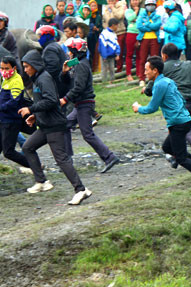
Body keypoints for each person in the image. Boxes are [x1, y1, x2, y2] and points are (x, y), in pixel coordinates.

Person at [18, 50, 91, 205]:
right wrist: (36, 116)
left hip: (54, 126)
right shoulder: (37, 79)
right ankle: (42, 181)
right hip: (45, 126)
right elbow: (45, 102)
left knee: (61, 159)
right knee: (28, 147)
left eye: (26, 66)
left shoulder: (44, 79)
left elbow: (51, 100)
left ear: (34, 65)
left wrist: (31, 109)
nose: (25, 70)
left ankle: (81, 189)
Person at [133, 56, 191, 187]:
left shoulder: (159, 85)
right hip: (183, 120)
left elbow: (152, 108)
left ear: (155, 70)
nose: (145, 73)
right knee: (167, 147)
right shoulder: (168, 81)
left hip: (178, 123)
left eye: (146, 70)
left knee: (181, 158)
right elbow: (181, 99)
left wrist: (138, 108)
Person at [60, 38, 120, 174]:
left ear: (75, 52)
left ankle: (109, 157)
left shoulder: (81, 65)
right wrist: (64, 72)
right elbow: (68, 82)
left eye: (70, 51)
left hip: (84, 104)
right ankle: (68, 159)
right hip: (79, 104)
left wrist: (65, 99)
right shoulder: (77, 63)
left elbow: (79, 87)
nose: (68, 53)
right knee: (65, 125)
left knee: (87, 134)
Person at [0, 55, 31, 171]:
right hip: (3, 120)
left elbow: (14, 101)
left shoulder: (16, 80)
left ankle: (34, 165)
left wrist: (1, 107)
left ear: (14, 68)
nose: (3, 71)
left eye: (6, 68)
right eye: (2, 68)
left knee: (8, 152)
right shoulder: (6, 80)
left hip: (11, 121)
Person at [37, 25, 68, 98]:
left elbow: (52, 69)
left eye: (39, 36)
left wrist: (44, 81)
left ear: (46, 36)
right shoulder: (55, 45)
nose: (38, 39)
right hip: (61, 84)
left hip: (57, 86)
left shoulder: (49, 49)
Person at [137, 0, 162, 87]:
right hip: (144, 39)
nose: (150, 6)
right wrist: (150, 26)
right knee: (142, 59)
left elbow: (157, 25)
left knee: (154, 60)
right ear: (145, 6)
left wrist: (146, 24)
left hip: (154, 39)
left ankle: (155, 78)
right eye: (149, 5)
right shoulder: (141, 15)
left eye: (152, 5)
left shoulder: (157, 15)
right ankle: (142, 79)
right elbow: (139, 26)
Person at [103, 0, 127, 73]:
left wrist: (113, 8)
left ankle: (119, 70)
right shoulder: (106, 8)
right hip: (110, 33)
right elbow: (106, 21)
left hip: (120, 32)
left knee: (118, 52)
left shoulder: (121, 5)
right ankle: (110, 70)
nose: (110, 1)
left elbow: (119, 16)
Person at [99, 18, 121, 83]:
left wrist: (117, 53)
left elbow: (116, 44)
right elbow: (103, 45)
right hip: (105, 55)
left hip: (112, 54)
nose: (117, 27)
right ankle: (104, 81)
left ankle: (112, 81)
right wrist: (104, 56)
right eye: (117, 25)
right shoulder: (104, 33)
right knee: (104, 69)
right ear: (113, 25)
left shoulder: (114, 34)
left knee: (112, 68)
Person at [125, 0, 141, 82]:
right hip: (131, 33)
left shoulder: (143, 11)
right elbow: (130, 18)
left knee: (139, 55)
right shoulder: (128, 11)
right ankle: (129, 74)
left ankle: (139, 73)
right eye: (133, 0)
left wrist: (136, 19)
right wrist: (136, 11)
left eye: (136, 0)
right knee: (129, 54)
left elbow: (142, 21)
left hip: (140, 34)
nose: (135, 2)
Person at [88, 0, 103, 69]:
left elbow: (101, 27)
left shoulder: (98, 15)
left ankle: (93, 67)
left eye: (95, 6)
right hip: (88, 35)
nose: (93, 7)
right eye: (92, 6)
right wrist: (92, 27)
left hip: (95, 36)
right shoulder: (88, 14)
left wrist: (98, 29)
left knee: (94, 52)